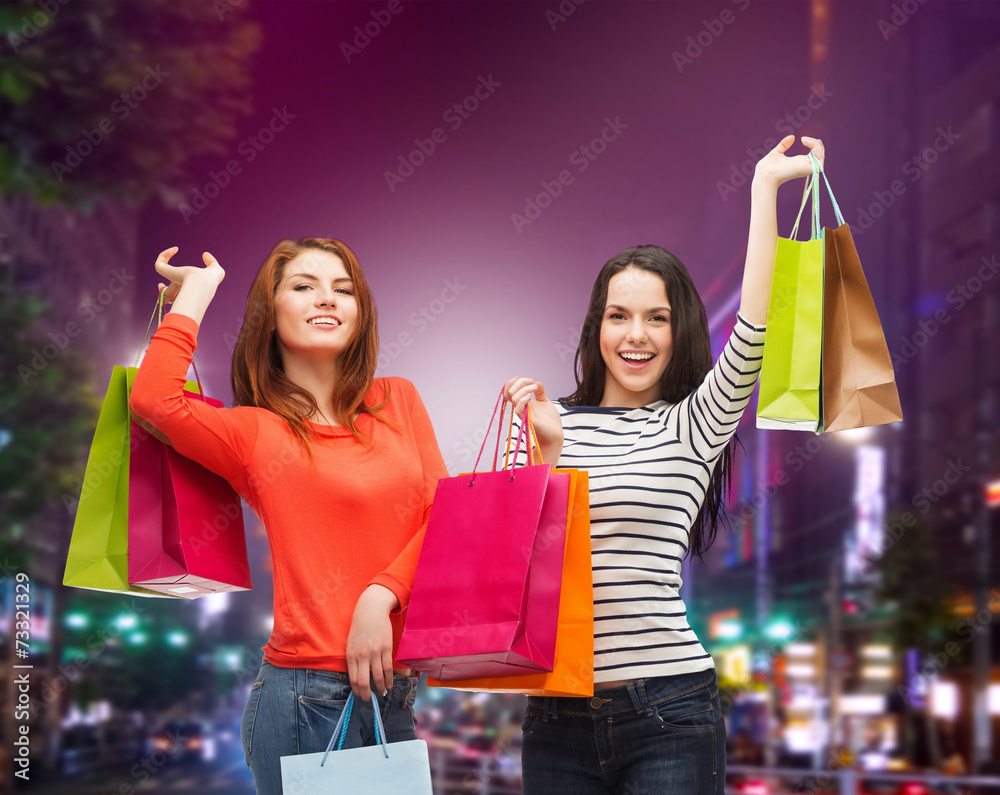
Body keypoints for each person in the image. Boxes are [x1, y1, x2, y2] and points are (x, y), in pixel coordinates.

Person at [503, 134, 826, 794]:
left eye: (657, 317)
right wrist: (545, 454)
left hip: (671, 712)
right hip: (555, 713)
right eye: (619, 315)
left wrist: (764, 189)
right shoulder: (549, 421)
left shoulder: (695, 420)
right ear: (597, 326)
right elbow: (519, 571)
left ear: (679, 329)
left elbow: (756, 326)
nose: (636, 335)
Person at [128, 237, 448, 794]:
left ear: (360, 312)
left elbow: (444, 519)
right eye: (304, 287)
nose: (327, 299)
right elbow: (154, 399)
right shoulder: (254, 432)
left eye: (342, 290)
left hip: (395, 690)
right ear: (270, 315)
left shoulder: (398, 400)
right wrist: (196, 294)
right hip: (306, 697)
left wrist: (381, 595)